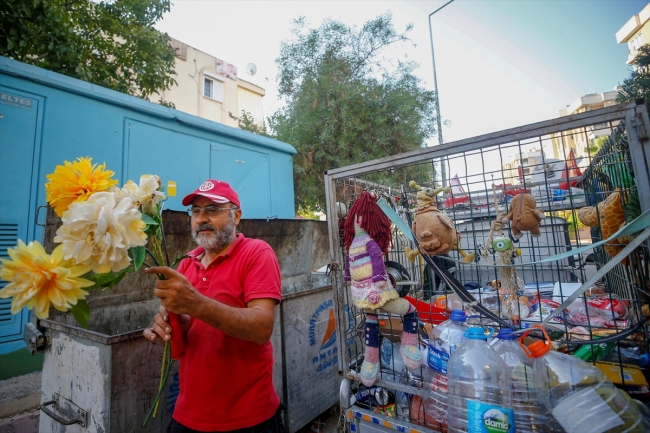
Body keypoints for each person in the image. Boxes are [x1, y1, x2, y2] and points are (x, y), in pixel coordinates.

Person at [143, 179, 284, 433]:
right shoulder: (186, 263)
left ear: (236, 216)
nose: (201, 218)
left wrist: (197, 304)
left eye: (213, 209)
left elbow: (262, 327)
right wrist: (168, 325)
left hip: (249, 418)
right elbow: (187, 334)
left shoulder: (256, 253)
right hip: (188, 415)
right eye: (196, 211)